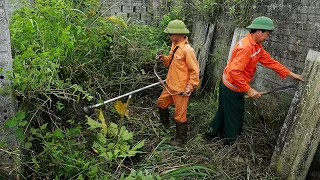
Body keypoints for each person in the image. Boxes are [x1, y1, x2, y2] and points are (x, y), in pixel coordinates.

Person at [206, 16, 304, 145]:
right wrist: (249, 89)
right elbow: (234, 72)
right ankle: (229, 145)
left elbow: (270, 62)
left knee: (224, 111)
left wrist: (291, 74)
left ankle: (211, 133)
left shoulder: (256, 46)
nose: (267, 37)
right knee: (234, 117)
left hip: (231, 84)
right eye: (267, 34)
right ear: (259, 31)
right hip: (231, 88)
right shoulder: (246, 48)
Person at [157, 19, 200, 146]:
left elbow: (195, 70)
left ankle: (181, 139)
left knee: (180, 114)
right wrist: (163, 58)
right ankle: (165, 125)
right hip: (170, 85)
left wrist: (190, 86)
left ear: (179, 34)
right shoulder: (174, 45)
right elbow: (170, 62)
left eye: (170, 34)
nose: (169, 36)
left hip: (181, 89)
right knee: (161, 103)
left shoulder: (187, 50)